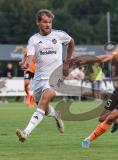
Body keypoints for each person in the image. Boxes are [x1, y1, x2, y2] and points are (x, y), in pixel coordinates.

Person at [16, 9, 75, 142]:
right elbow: (30, 57)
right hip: (39, 79)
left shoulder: (59, 35)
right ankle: (57, 115)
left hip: (55, 77)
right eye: (44, 22)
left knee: (42, 103)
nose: (48, 24)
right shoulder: (34, 40)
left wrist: (67, 62)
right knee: (44, 107)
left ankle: (25, 133)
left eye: (49, 22)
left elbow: (71, 42)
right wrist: (26, 64)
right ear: (38, 23)